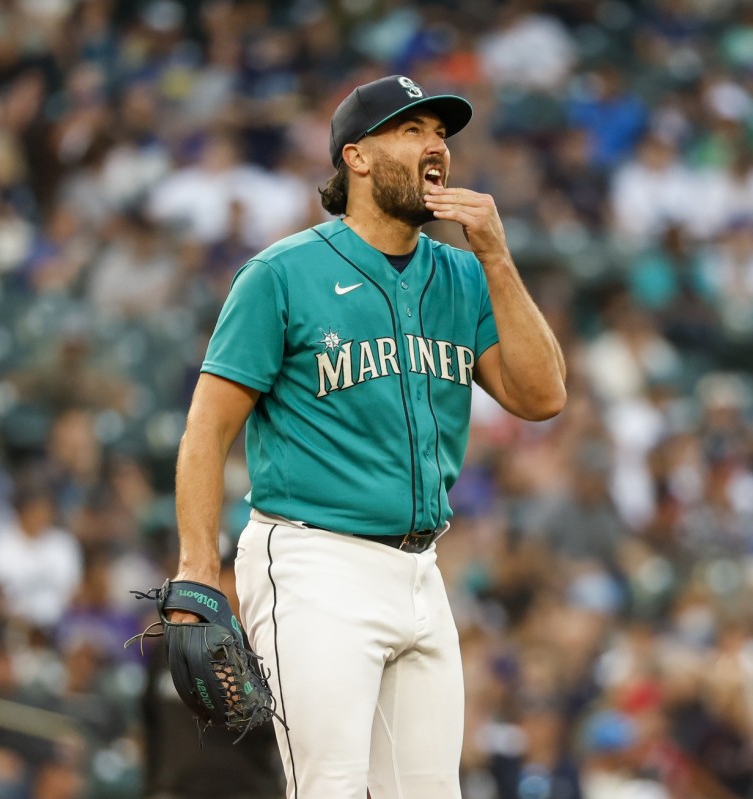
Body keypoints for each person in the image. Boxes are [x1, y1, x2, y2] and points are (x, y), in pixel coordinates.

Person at [166, 74, 567, 799]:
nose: (435, 146)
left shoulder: (463, 275)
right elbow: (205, 430)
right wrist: (198, 569)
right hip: (314, 560)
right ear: (355, 156)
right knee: (333, 788)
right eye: (411, 131)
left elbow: (542, 395)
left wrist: (498, 259)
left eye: (441, 133)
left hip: (421, 570)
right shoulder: (282, 274)